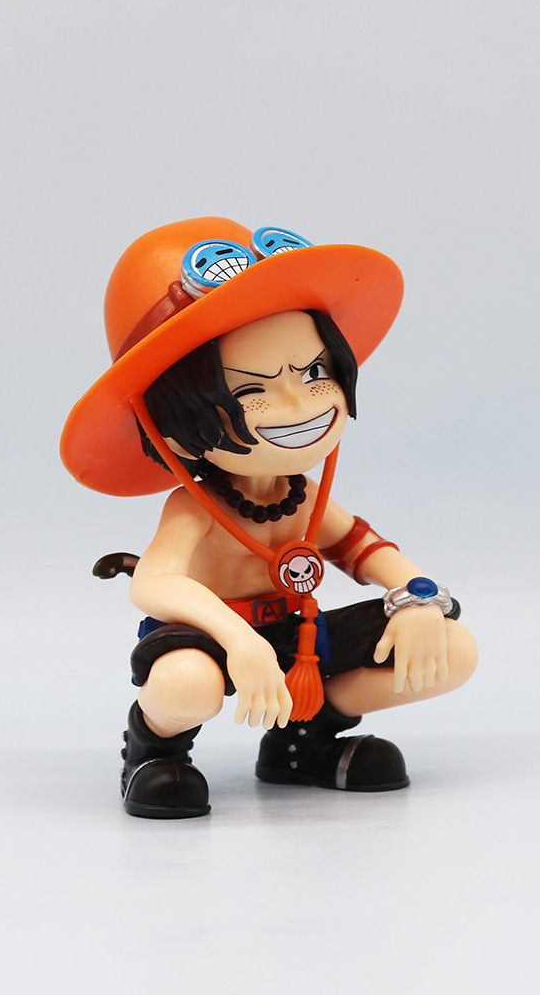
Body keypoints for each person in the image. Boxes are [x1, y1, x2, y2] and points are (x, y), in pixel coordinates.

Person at [61, 218, 478, 819]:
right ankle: (156, 750)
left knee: (452, 649)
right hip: (214, 638)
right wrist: (239, 641)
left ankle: (305, 741)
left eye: (315, 374)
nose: (298, 405)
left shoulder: (303, 496)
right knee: (185, 683)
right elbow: (154, 583)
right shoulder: (194, 505)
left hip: (298, 637)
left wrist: (416, 599)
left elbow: (362, 548)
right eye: (251, 391)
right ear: (175, 425)